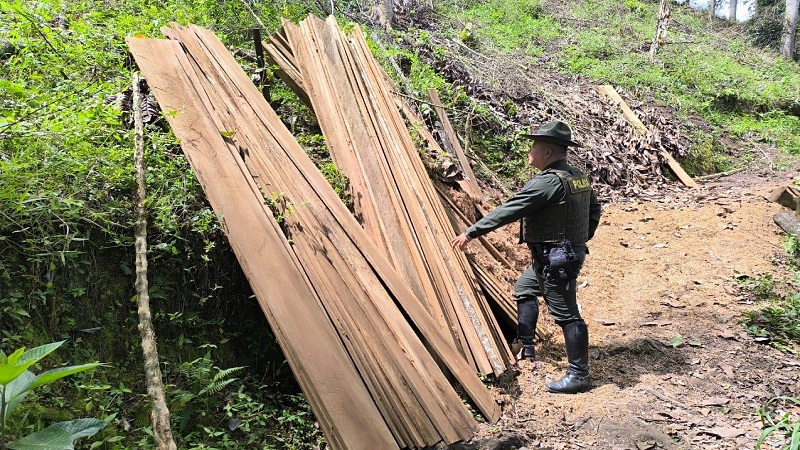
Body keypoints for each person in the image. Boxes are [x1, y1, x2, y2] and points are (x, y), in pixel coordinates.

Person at [451, 120, 601, 394]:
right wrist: (578, 241)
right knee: (524, 288)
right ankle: (526, 345)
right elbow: (594, 212)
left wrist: (472, 232)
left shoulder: (547, 183)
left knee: (567, 314)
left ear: (547, 153)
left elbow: (511, 209)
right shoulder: (578, 177)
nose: (529, 151)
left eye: (534, 146)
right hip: (555, 255)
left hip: (557, 258)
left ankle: (579, 375)